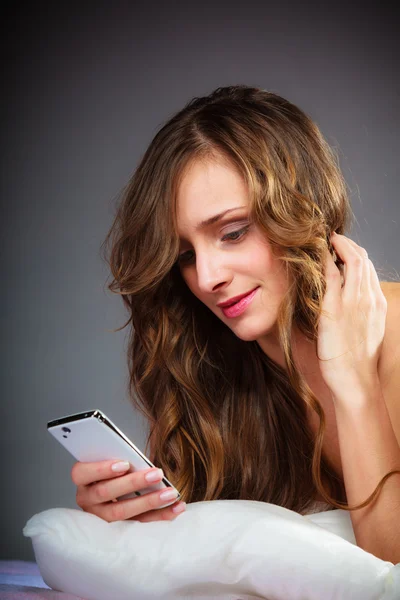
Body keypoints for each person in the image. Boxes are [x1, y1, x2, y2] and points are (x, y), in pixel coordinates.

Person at [71, 85, 400, 562]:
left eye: (232, 232)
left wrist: (353, 383)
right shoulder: (212, 363)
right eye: (184, 255)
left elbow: (393, 571)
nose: (206, 278)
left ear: (302, 209)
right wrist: (124, 523)